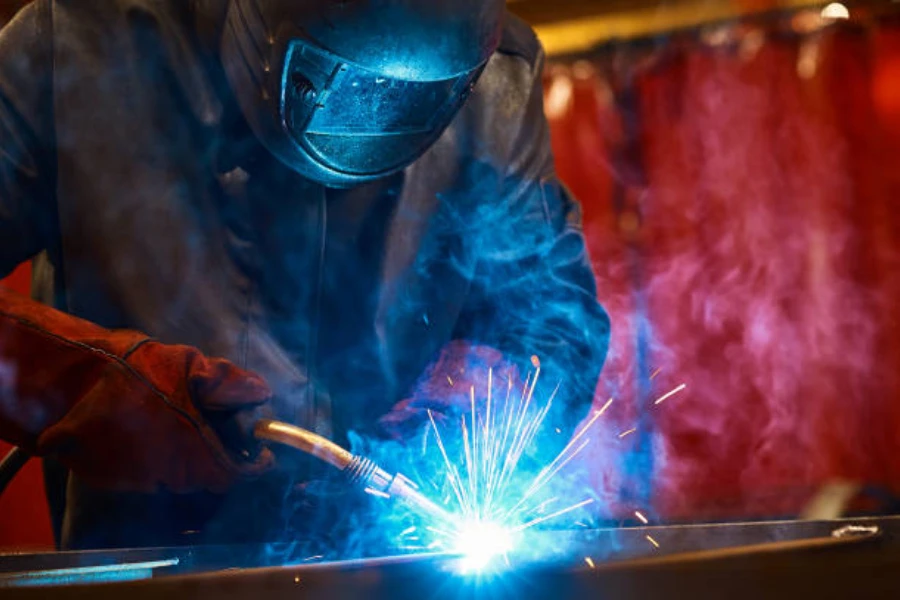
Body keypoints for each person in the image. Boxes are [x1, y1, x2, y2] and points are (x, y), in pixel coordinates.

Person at [0, 0, 610, 551]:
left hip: (390, 576)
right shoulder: (77, 45)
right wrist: (85, 382)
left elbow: (553, 323)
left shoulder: (496, 80)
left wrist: (490, 396)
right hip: (154, 577)